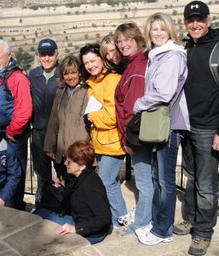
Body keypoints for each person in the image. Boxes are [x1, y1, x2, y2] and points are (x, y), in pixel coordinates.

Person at [175, 1, 219, 256]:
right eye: (190, 20)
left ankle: (203, 233)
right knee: (192, 176)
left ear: (208, 20)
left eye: (199, 19)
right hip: (188, 127)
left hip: (208, 129)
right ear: (185, 23)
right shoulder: (189, 48)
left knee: (206, 184)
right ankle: (190, 218)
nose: (195, 24)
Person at [132, 13, 189, 246]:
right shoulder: (158, 56)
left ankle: (163, 231)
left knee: (165, 180)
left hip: (170, 124)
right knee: (158, 176)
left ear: (170, 31)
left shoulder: (172, 56)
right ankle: (158, 224)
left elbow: (164, 93)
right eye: (154, 29)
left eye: (162, 29)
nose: (157, 33)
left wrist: (139, 103)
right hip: (163, 122)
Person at [80, 43, 126, 228]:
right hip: (101, 140)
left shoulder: (112, 80)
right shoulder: (93, 82)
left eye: (93, 60)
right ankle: (117, 217)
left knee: (107, 181)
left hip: (112, 141)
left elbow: (111, 115)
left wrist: (90, 116)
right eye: (86, 63)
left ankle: (119, 219)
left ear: (102, 59)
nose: (90, 65)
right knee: (111, 180)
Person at [113, 23, 151, 238]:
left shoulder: (137, 67)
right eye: (119, 41)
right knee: (146, 180)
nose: (122, 44)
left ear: (137, 39)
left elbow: (131, 107)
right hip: (138, 131)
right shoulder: (134, 63)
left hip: (136, 132)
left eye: (127, 39)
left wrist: (127, 136)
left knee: (144, 182)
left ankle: (142, 223)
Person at [0, 39, 33, 210]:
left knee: (15, 171)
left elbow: (24, 110)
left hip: (13, 134)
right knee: (0, 171)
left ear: (9, 56)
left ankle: (15, 207)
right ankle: (3, 204)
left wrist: (12, 131)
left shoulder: (18, 78)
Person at [36, 140, 112, 245]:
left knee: (39, 215)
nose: (65, 163)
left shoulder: (89, 186)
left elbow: (104, 218)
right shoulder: (82, 177)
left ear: (82, 165)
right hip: (81, 220)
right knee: (41, 212)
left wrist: (75, 228)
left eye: (69, 161)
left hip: (92, 232)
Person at [43, 55, 88, 183]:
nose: (70, 77)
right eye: (66, 74)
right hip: (61, 154)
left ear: (79, 73)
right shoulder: (60, 92)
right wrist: (50, 146)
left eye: (73, 72)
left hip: (78, 155)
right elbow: (54, 121)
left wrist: (76, 153)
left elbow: (84, 125)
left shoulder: (86, 92)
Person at [28, 38, 60, 199]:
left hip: (59, 134)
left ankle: (66, 209)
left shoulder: (64, 74)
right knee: (42, 176)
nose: (46, 58)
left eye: (50, 54)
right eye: (43, 54)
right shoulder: (33, 75)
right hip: (39, 133)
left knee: (63, 174)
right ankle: (43, 208)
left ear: (57, 55)